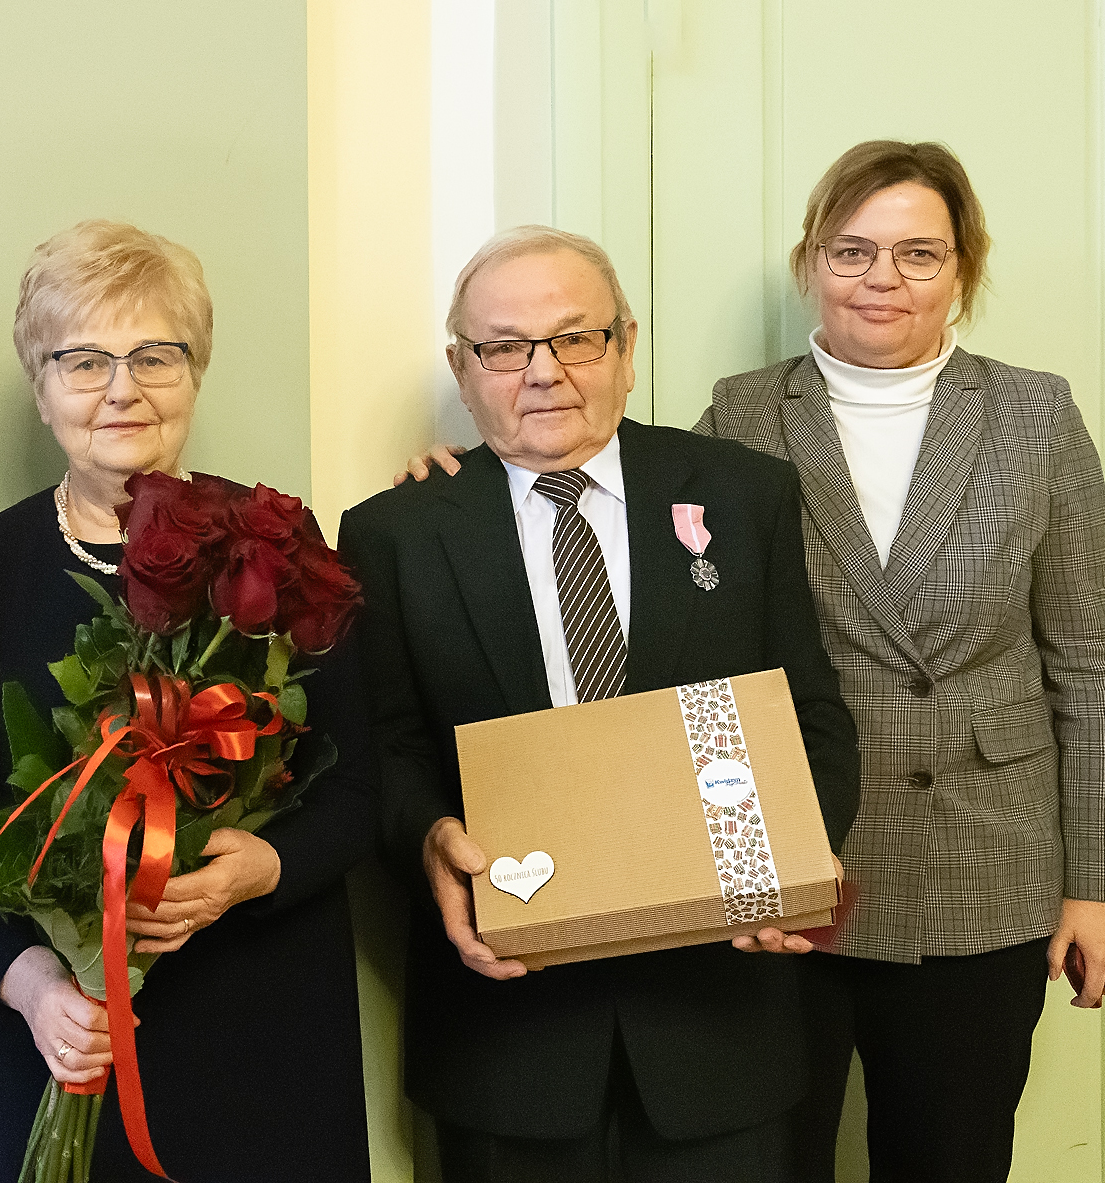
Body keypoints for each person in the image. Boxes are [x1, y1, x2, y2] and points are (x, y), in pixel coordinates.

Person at [342, 225, 859, 1183]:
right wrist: (428, 838)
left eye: (575, 338)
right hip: (509, 1039)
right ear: (463, 370)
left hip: (720, 1024)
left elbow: (810, 713)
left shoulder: (744, 495)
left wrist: (798, 861)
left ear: (625, 348)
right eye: (505, 347)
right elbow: (387, 744)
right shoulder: (394, 533)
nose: (544, 372)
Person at [0, 219, 375, 1183]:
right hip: (57, 1038)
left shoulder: (278, 547)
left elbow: (359, 787)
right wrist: (25, 980)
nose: (121, 389)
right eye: (83, 360)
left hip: (259, 1031)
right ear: (41, 387)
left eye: (155, 355)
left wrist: (261, 867)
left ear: (196, 371)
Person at [693, 141, 1105, 1182]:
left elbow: (1093, 663)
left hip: (984, 863)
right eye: (851, 250)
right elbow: (669, 602)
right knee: (768, 1161)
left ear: (963, 268)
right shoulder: (741, 413)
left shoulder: (1035, 414)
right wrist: (466, 478)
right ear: (811, 261)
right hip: (792, 866)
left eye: (917, 253)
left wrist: (1101, 884)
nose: (880, 278)